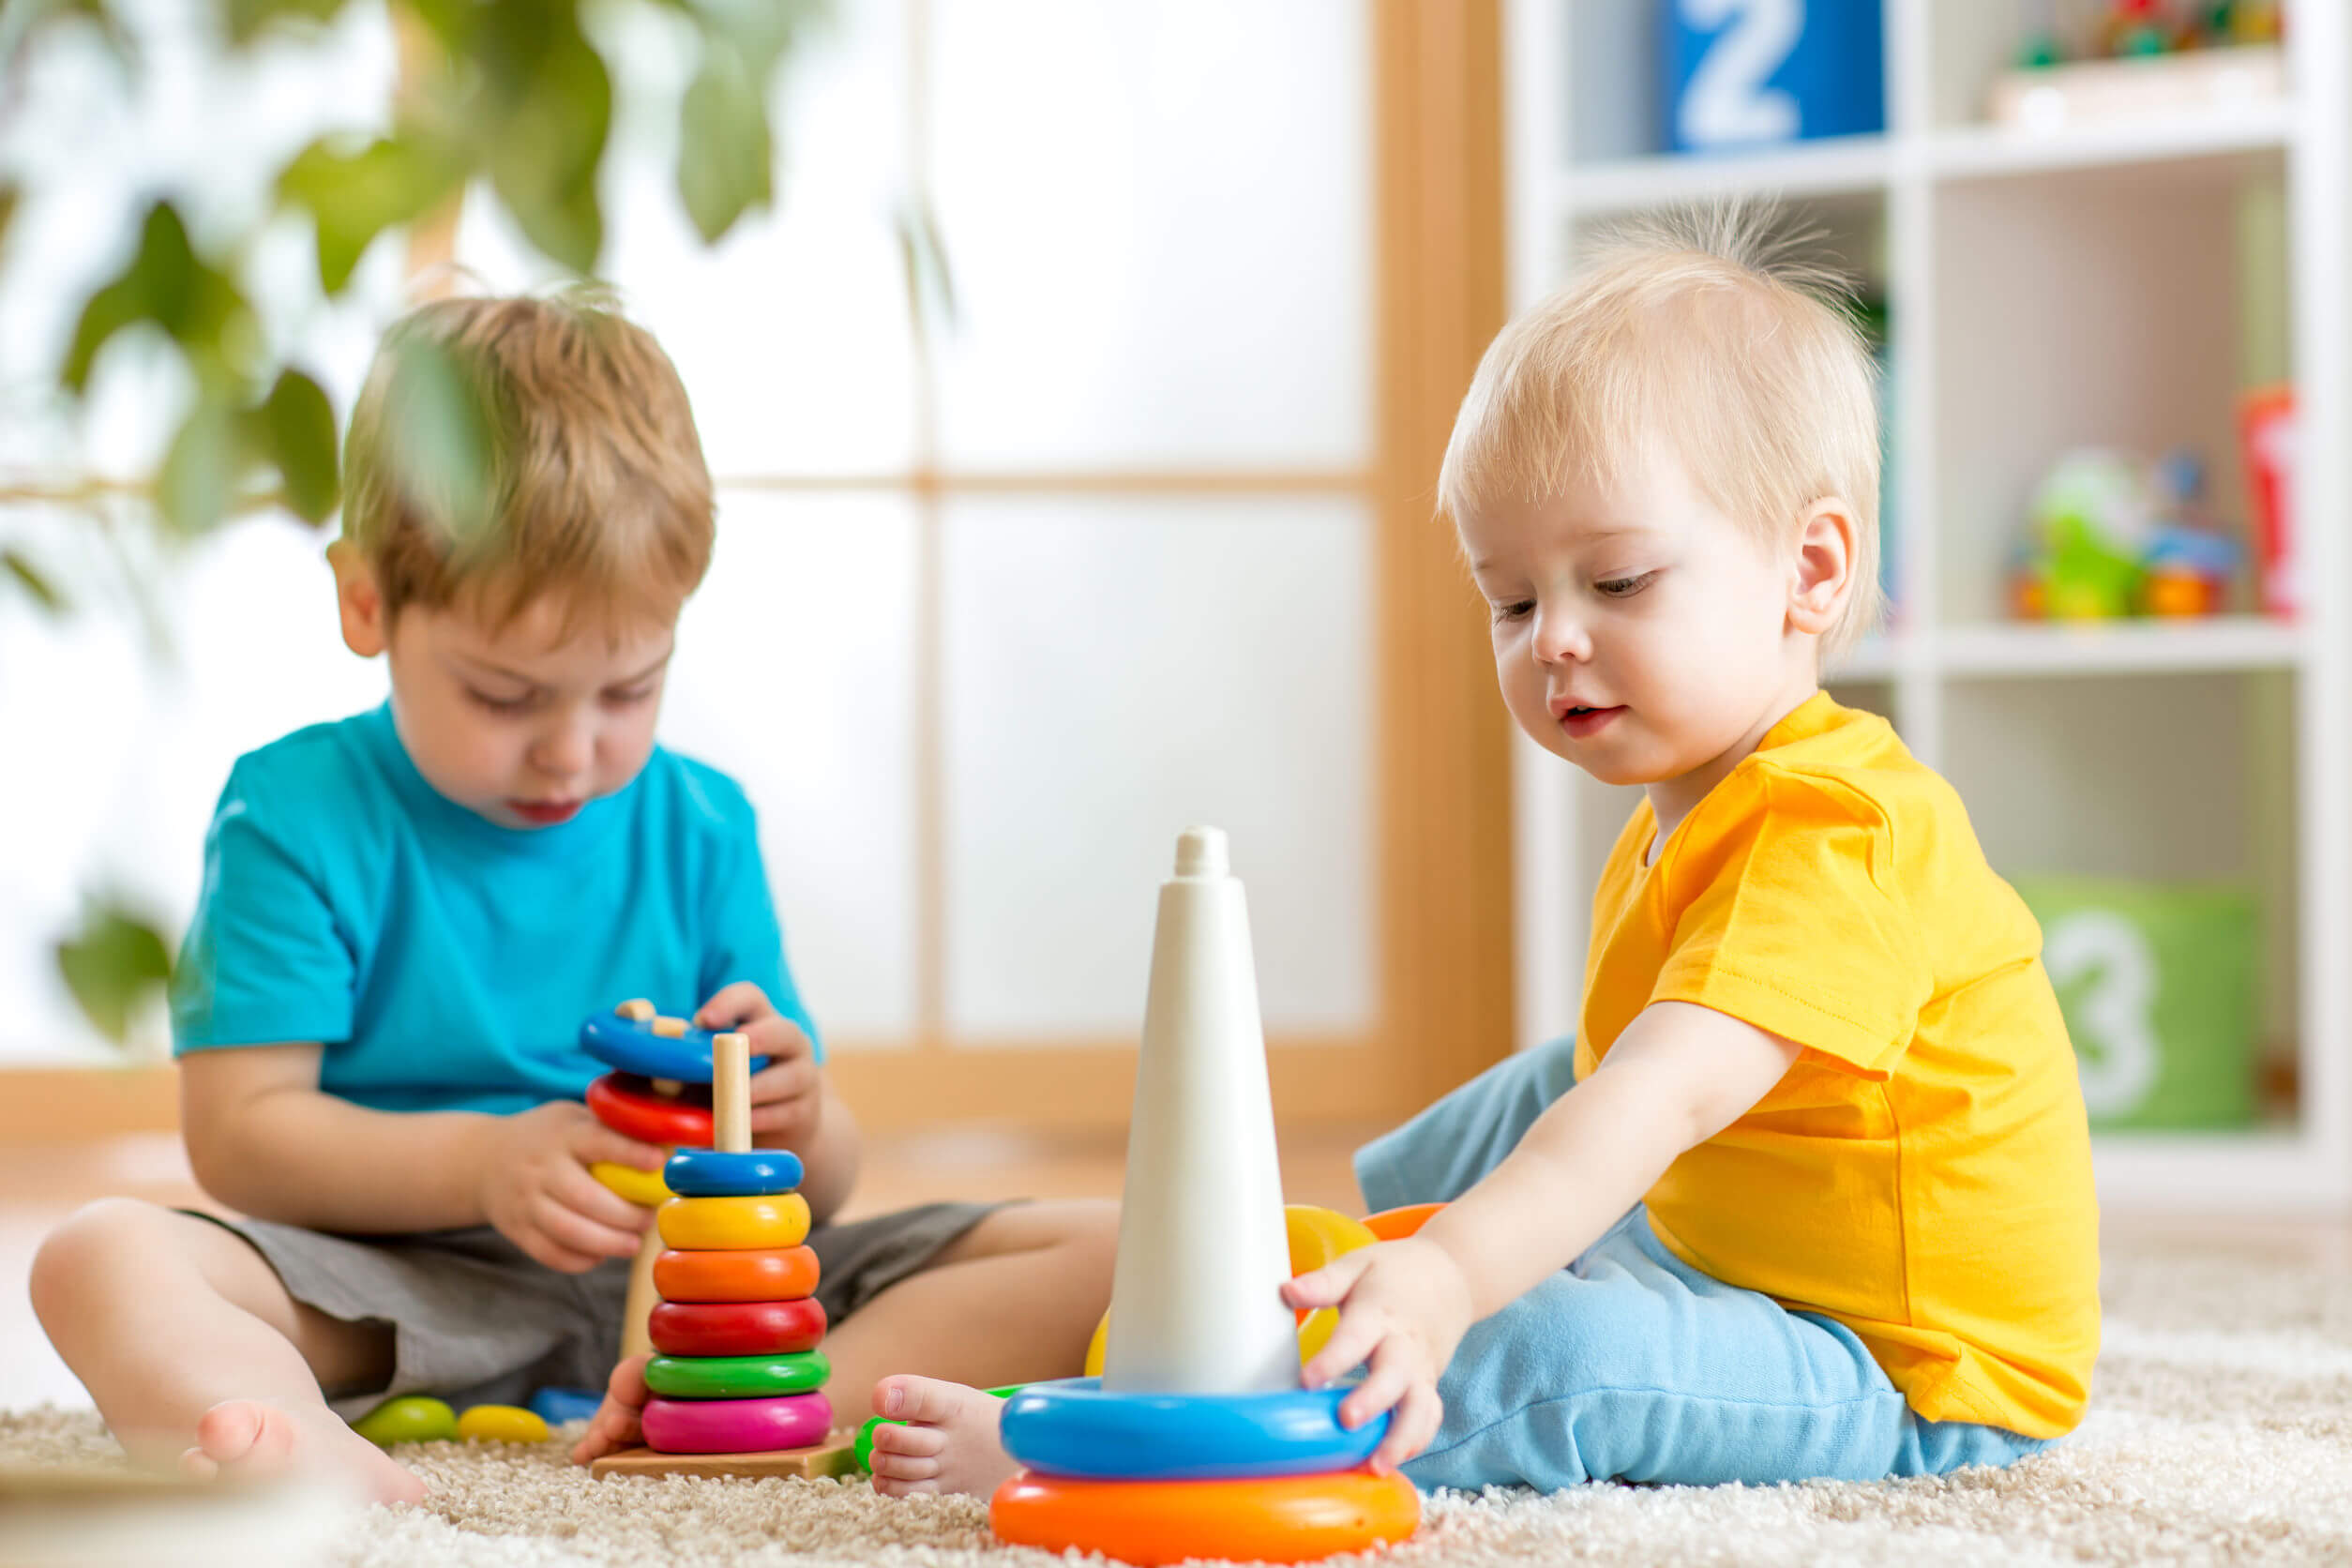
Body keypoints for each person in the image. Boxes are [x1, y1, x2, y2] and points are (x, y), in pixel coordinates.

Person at [845, 206, 2101, 1498]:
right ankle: (1344, 1252)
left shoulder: (1845, 833)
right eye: (1512, 598)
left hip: (1903, 1370)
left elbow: (1661, 1102)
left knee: (1553, 1342)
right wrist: (1417, 1239)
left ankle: (1134, 1457)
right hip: (1729, 1252)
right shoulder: (1692, 809)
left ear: (1812, 570)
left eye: (1615, 582)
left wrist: (1453, 1277)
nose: (1552, 637)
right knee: (1559, 1074)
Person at [29, 288, 1115, 1503]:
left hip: (700, 1296)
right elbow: (238, 1135)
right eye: (505, 697)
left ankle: (743, 1417)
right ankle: (290, 1442)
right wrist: (483, 1167)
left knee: (1122, 1244)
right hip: (405, 1285)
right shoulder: (295, 812)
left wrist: (800, 1120)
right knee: (99, 1255)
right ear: (368, 603)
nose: (570, 752)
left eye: (628, 691)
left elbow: (821, 1192)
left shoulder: (702, 824)